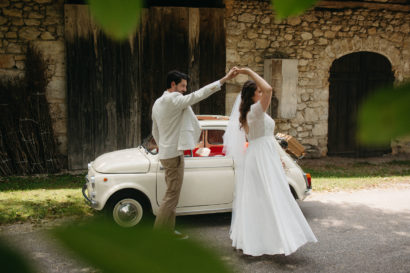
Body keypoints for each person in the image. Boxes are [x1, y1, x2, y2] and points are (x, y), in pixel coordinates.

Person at [224, 67, 317, 256]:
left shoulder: (253, 111)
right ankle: (263, 239)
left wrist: (276, 158)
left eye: (259, 91)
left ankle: (258, 238)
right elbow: (269, 89)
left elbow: (267, 139)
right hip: (260, 157)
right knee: (268, 196)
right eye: (257, 91)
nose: (261, 92)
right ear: (252, 95)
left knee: (261, 197)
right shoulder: (255, 110)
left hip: (261, 155)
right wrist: (248, 71)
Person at [152, 68, 238, 238]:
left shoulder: (157, 102)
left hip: (166, 152)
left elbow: (155, 129)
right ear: (173, 85)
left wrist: (162, 146)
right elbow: (199, 95)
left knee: (172, 195)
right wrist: (224, 79)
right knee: (171, 196)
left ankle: (168, 230)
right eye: (183, 86)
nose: (185, 90)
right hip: (173, 155)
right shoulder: (175, 99)